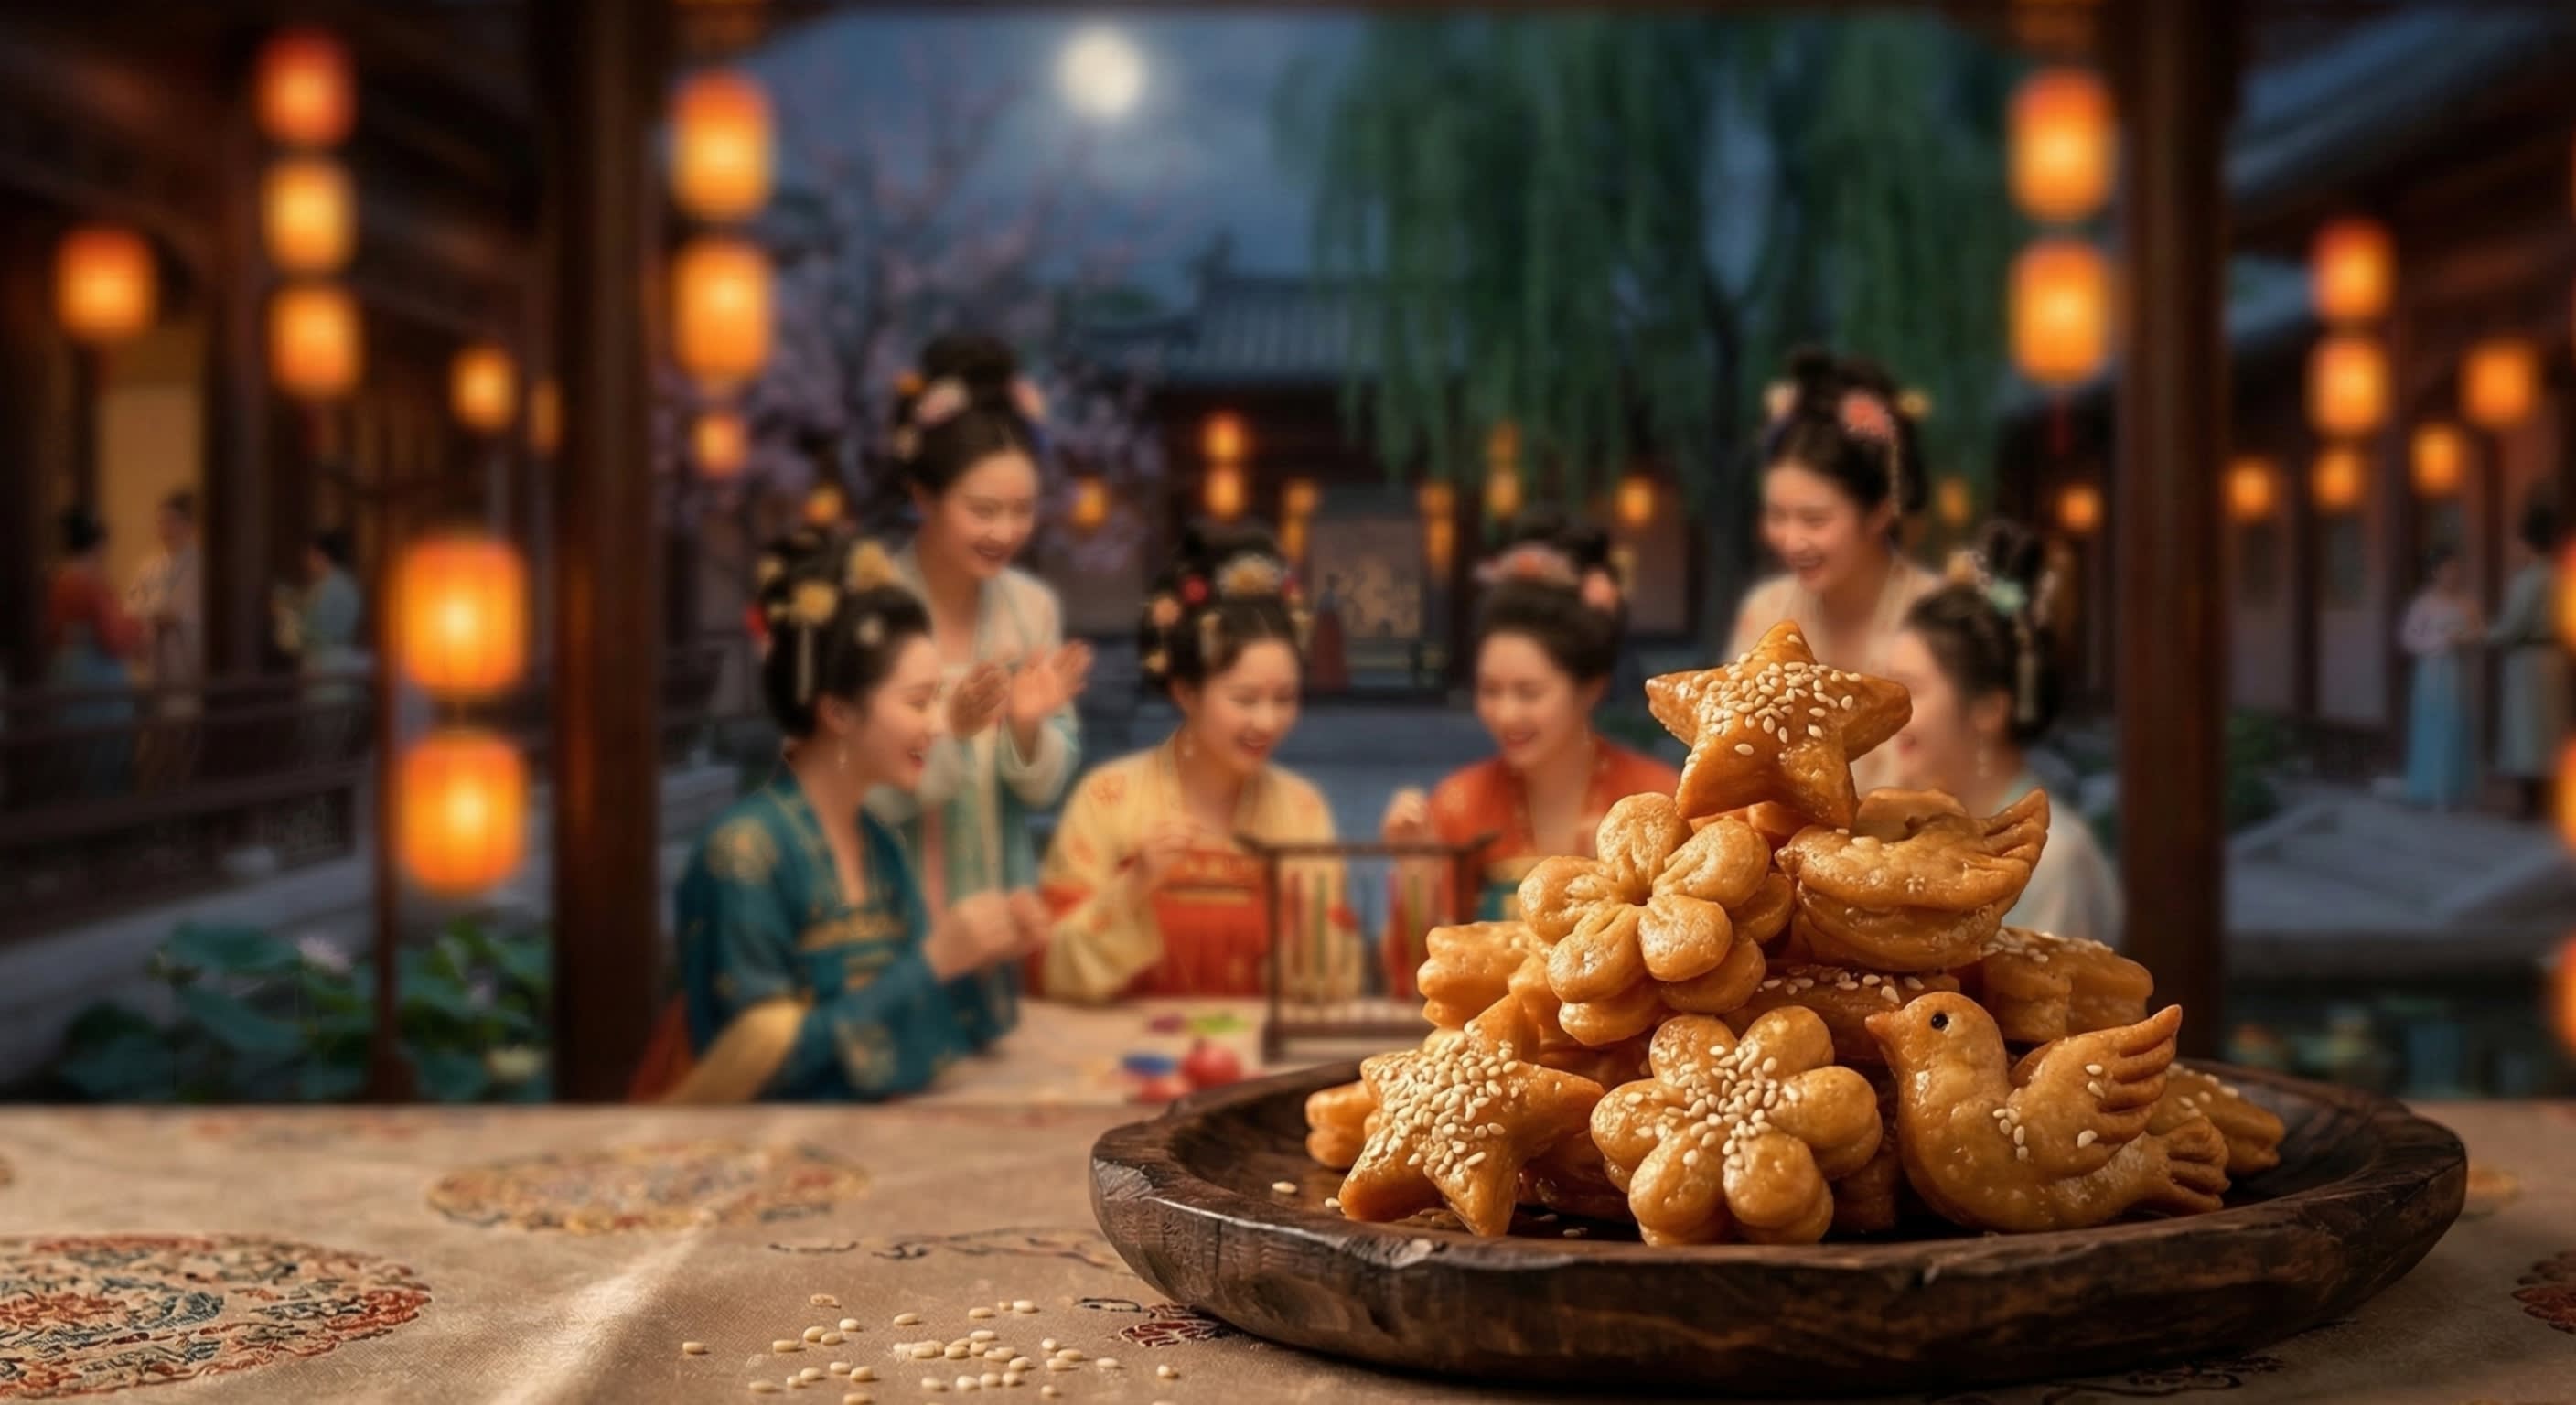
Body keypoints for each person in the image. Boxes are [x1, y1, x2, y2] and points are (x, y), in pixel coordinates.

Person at [641, 535, 1049, 1102]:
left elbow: (919, 1025)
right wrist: (934, 961)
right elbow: (762, 1066)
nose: (938, 725)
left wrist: (987, 952)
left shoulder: (878, 845)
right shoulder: (744, 853)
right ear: (836, 711)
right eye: (918, 702)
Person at [1036, 520, 1359, 1003]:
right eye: (1244, 699)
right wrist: (1136, 883)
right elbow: (1053, 967)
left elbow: (1333, 987)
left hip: (1257, 1063)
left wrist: (1304, 916)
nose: (1267, 722)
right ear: (1186, 692)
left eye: (1285, 698)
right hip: (1125, 1058)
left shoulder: (1301, 808)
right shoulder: (1109, 796)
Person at [870, 335, 1092, 934]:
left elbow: (1044, 790)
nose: (1006, 531)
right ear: (923, 496)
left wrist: (1025, 726)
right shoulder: (870, 606)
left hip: (1002, 901)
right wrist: (947, 731)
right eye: (983, 509)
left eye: (1022, 510)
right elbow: (852, 790)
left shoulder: (1031, 609)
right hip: (887, 915)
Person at [1381, 514, 1680, 937]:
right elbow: (1427, 972)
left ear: (1590, 688)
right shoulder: (1460, 804)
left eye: (1529, 693)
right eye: (1490, 690)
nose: (1505, 714)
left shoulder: (1656, 799)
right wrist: (1417, 874)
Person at [1882, 520, 2121, 947]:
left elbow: (2045, 1002)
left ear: (1989, 710)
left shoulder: (2052, 859)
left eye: (1911, 690)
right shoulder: (1911, 832)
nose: (1889, 713)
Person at [1733, 348, 1939, 795]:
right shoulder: (1766, 612)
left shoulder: (1936, 618)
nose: (1790, 540)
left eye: (1814, 520)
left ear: (1880, 512)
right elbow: (1734, 761)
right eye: (1776, 515)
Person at [44, 508, 140, 797]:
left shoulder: (58, 581)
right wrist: (138, 626)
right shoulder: (91, 585)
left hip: (65, 669)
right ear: (99, 544)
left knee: (74, 748)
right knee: (103, 750)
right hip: (97, 671)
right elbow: (113, 637)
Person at [2489, 497, 2569, 821]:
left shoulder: (2527, 581)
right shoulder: (2563, 576)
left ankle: (2530, 805)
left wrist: (2480, 634)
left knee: (2527, 732)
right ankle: (2550, 802)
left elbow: (2511, 627)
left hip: (2529, 660)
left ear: (2527, 542)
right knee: (2550, 730)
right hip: (2556, 659)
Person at [127, 489, 206, 788]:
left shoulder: (201, 564)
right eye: (161, 522)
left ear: (189, 524)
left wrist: (168, 615)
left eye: (172, 522)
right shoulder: (150, 566)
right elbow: (133, 606)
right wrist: (154, 615)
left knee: (184, 733)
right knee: (155, 737)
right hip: (156, 661)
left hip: (185, 661)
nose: (165, 530)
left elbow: (188, 613)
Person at [2399, 545, 2481, 811]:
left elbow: (2479, 632)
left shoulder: (2467, 602)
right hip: (2432, 673)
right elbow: (2408, 638)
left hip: (2459, 672)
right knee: (2433, 728)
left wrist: (2461, 638)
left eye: (2455, 568)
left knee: (2458, 728)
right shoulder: (2424, 602)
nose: (2452, 574)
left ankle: (2458, 788)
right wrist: (2437, 641)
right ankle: (2432, 790)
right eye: (2446, 569)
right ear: (2435, 572)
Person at [274, 530, 365, 762]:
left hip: (326, 666)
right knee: (331, 737)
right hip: (336, 665)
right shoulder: (341, 584)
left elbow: (309, 631)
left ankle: (321, 795)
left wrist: (286, 615)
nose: (307, 561)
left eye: (310, 555)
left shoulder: (329, 588)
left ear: (321, 556)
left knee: (323, 738)